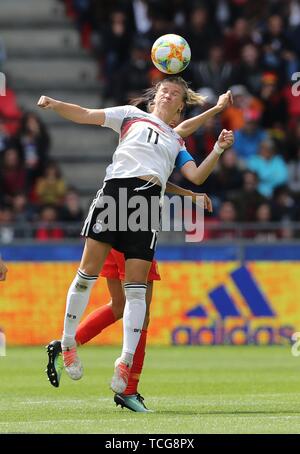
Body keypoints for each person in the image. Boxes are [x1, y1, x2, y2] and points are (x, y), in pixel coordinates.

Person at [38, 75, 234, 398]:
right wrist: (56, 104)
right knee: (86, 276)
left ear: (180, 109)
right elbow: (87, 114)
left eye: (174, 94)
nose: (167, 95)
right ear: (154, 97)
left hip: (145, 206)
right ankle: (68, 343)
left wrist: (217, 147)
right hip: (114, 195)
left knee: (135, 294)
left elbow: (197, 174)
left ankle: (125, 363)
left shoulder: (175, 139)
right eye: (164, 91)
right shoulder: (131, 117)